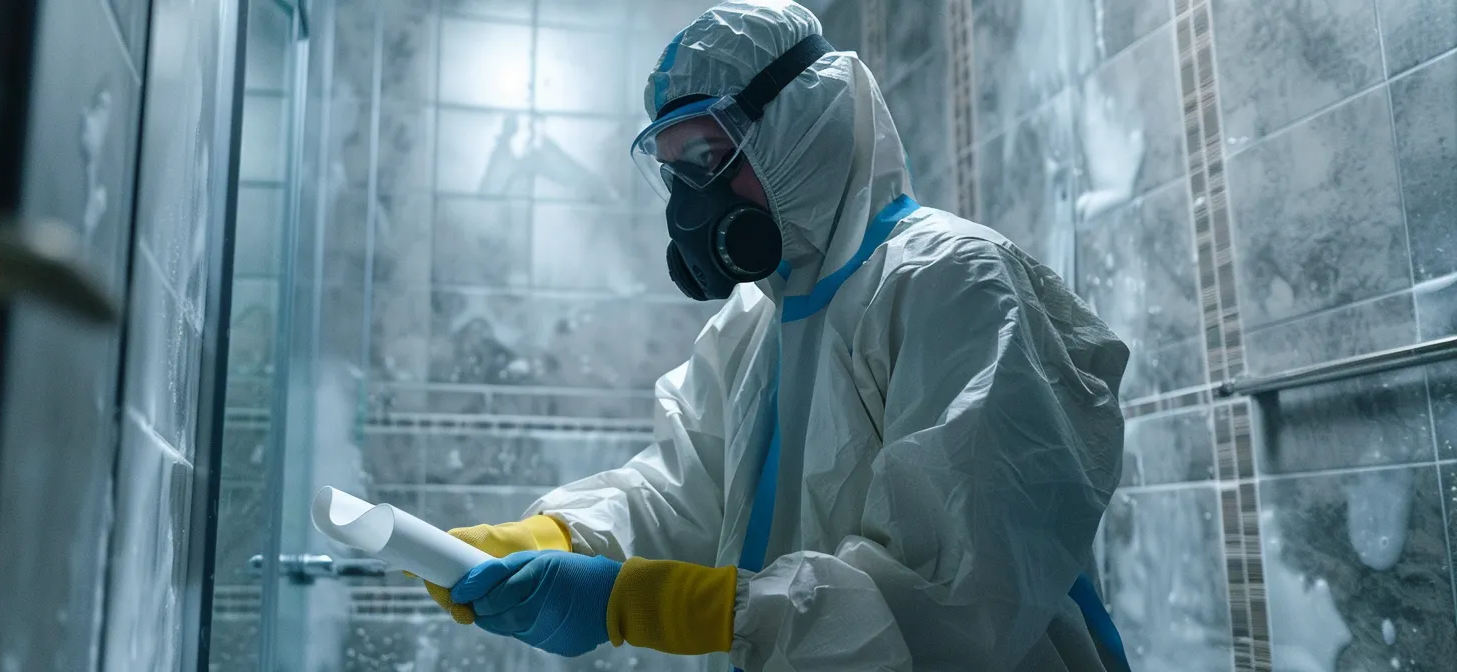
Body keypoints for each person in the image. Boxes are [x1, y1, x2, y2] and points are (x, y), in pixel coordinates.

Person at [420, 1, 1133, 670]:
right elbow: (680, 491)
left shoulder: (956, 283)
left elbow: (953, 603)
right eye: (676, 174)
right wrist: (560, 535)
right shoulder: (755, 323)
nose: (691, 206)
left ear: (803, 128)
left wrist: (654, 603)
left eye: (709, 161)